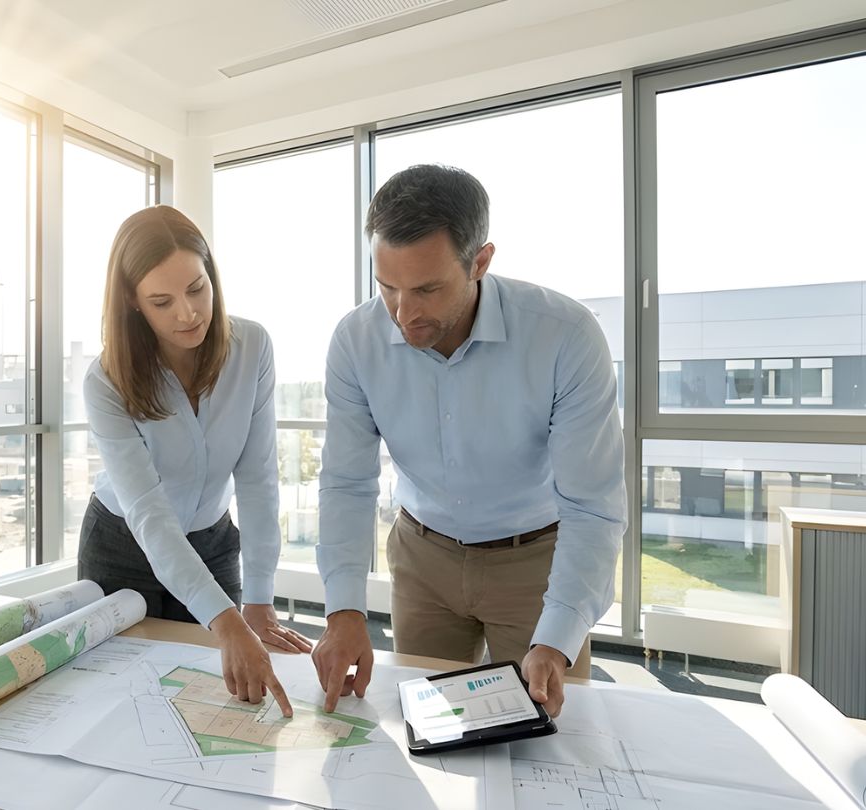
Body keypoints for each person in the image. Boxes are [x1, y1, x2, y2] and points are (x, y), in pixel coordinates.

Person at [310, 164, 626, 717]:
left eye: (427, 289)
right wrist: (344, 611)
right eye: (388, 288)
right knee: (427, 731)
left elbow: (593, 507)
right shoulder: (354, 342)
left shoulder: (566, 336)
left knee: (546, 739)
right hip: (421, 559)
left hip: (536, 562)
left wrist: (555, 640)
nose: (403, 315)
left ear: (480, 261)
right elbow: (346, 484)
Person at [80, 205, 313, 714]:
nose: (187, 313)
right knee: (119, 706)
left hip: (211, 543)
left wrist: (257, 599)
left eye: (197, 288)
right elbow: (147, 510)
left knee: (219, 698)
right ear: (132, 301)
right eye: (161, 301)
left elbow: (257, 480)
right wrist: (226, 621)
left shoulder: (252, 347)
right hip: (121, 548)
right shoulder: (105, 380)